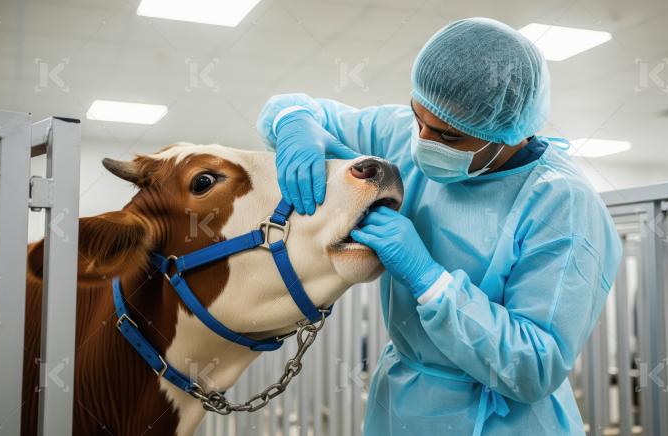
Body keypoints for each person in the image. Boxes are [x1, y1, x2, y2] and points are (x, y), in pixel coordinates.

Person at [257, 17, 622, 436]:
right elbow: (294, 107)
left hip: (501, 420)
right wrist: (294, 125)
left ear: (505, 132)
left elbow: (534, 367)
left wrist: (429, 280)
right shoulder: (402, 133)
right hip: (400, 406)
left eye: (448, 138)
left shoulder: (563, 204)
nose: (423, 142)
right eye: (418, 118)